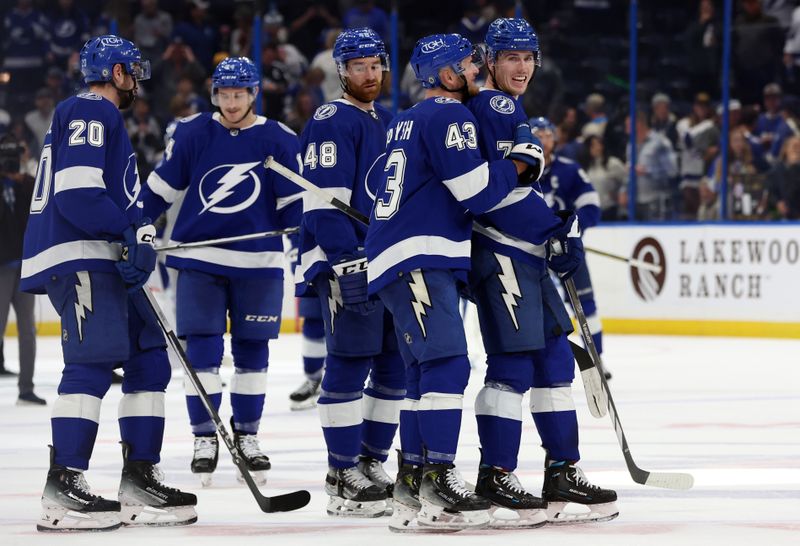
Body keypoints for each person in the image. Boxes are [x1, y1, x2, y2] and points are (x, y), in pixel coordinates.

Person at [365, 32, 545, 531]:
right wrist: (520, 161)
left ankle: (411, 480)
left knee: (421, 375)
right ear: (445, 75)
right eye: (468, 65)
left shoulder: (405, 119)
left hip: (397, 257)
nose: (476, 73)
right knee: (446, 363)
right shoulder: (451, 115)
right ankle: (440, 476)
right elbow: (476, 192)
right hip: (420, 254)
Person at [20, 34, 196, 532]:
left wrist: (137, 231)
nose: (137, 80)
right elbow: (77, 195)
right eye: (132, 70)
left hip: (101, 255)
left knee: (148, 356)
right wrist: (126, 230)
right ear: (115, 73)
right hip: (80, 256)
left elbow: (108, 195)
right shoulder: (92, 110)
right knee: (92, 362)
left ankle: (140, 476)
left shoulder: (100, 117)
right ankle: (64, 484)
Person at [467, 18, 617, 526]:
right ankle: (496, 474)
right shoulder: (493, 106)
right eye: (511, 56)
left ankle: (561, 471)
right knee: (512, 367)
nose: (523, 66)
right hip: (501, 253)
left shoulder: (507, 108)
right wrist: (554, 227)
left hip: (527, 257)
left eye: (529, 56)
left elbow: (517, 187)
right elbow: (491, 191)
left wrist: (558, 228)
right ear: (489, 61)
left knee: (554, 363)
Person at [139, 56, 303, 487]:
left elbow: (295, 208)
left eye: (239, 94)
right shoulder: (193, 132)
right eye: (225, 95)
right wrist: (132, 224)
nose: (232, 103)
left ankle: (247, 435)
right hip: (199, 260)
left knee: (253, 356)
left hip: (259, 263)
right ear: (216, 95)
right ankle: (204, 437)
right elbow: (162, 187)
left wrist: (314, 241)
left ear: (253, 94)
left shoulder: (280, 139)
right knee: (203, 354)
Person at [295, 28, 403, 518]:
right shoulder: (332, 118)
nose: (370, 74)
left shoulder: (383, 120)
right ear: (341, 70)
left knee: (392, 365)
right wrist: (346, 259)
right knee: (349, 360)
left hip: (380, 260)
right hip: (347, 260)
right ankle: (341, 472)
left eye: (375, 64)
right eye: (358, 66)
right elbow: (323, 203)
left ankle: (370, 460)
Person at [0, 134, 43, 405]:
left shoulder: (28, 184)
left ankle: (26, 388)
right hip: (2, 266)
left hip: (25, 265)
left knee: (28, 329)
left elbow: (39, 211)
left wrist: (23, 178)